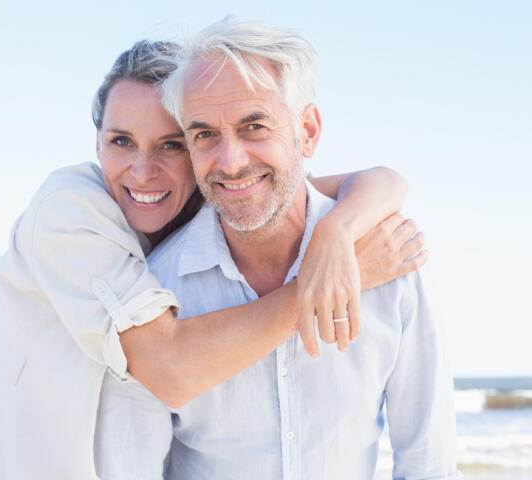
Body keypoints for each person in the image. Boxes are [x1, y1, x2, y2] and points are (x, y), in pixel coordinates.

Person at [0, 40, 424, 480]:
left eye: (172, 144)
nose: (143, 170)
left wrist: (336, 234)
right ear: (96, 142)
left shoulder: (210, 202)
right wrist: (328, 284)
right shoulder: (69, 209)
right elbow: (168, 368)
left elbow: (368, 181)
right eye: (121, 141)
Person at [133, 20, 460, 479]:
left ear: (306, 131)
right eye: (204, 134)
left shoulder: (391, 258)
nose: (230, 162)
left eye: (254, 126)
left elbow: (429, 464)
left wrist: (335, 233)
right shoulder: (156, 287)